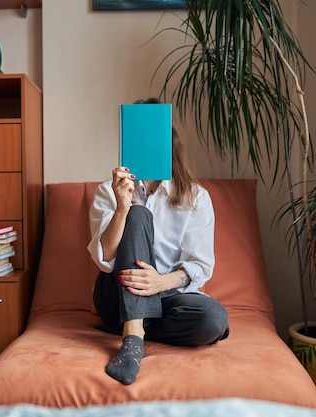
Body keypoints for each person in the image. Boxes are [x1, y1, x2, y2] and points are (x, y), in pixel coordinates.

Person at [87, 98, 229, 385]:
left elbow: (199, 265)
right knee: (137, 214)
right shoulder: (108, 191)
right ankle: (133, 333)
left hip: (167, 294)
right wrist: (121, 208)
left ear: (170, 144)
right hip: (115, 291)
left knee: (213, 319)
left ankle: (132, 331)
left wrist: (159, 283)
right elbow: (104, 259)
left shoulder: (196, 197)